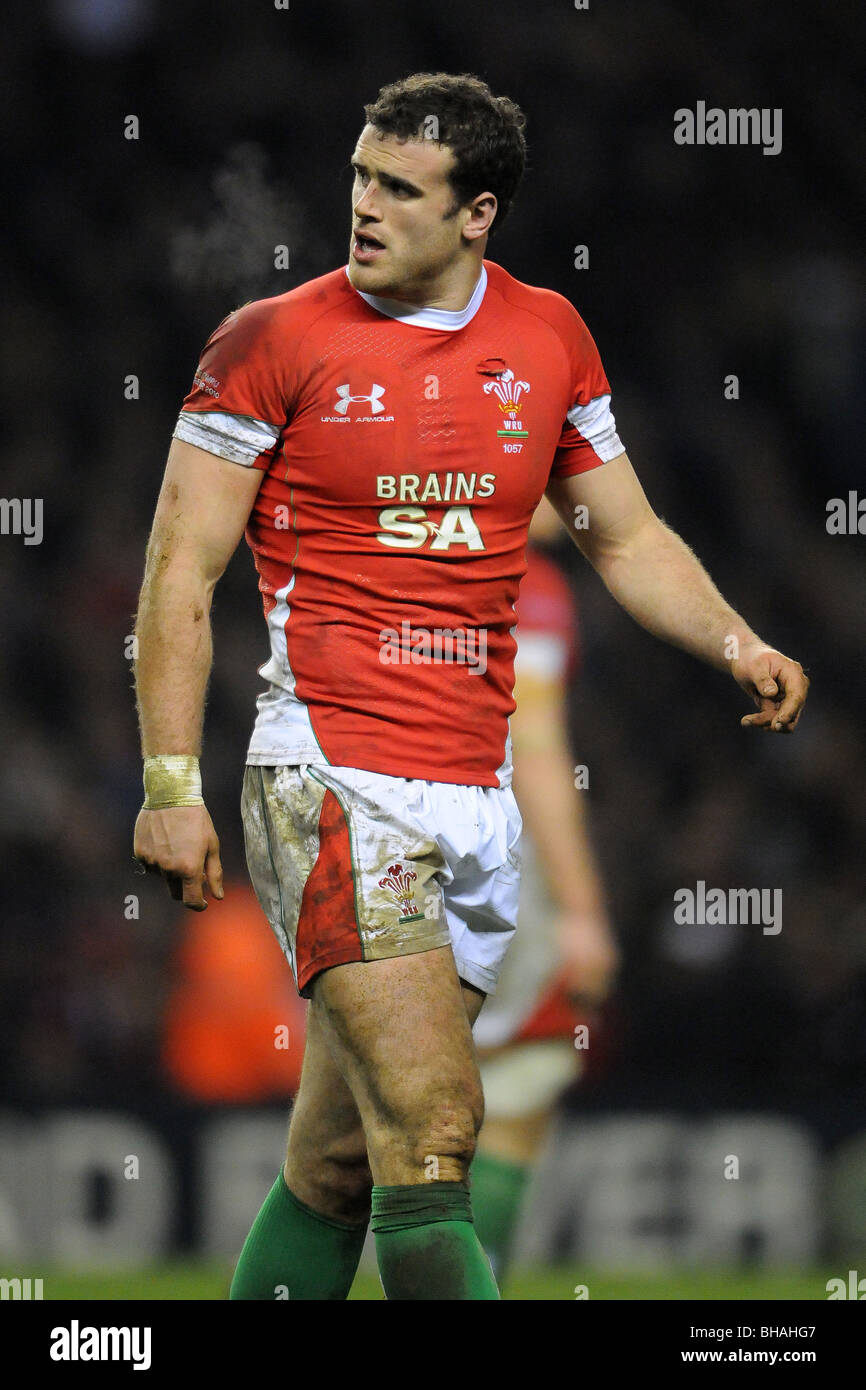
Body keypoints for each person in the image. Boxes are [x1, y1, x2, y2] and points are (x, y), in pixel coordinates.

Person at [132, 72, 809, 1301]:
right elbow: (180, 566)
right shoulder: (271, 340)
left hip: (471, 794)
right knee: (437, 1130)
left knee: (339, 1165)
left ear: (478, 212)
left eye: (400, 187)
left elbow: (622, 536)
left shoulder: (547, 335)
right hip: (331, 775)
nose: (365, 207)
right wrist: (168, 783)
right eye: (358, 177)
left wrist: (733, 641)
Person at [471, 498, 619, 1284]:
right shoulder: (528, 582)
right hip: (491, 864)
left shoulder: (410, 564)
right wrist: (584, 912)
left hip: (380, 847)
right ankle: (472, 1274)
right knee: (522, 1078)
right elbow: (531, 749)